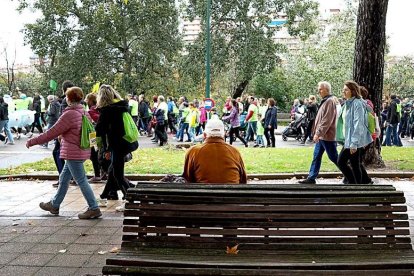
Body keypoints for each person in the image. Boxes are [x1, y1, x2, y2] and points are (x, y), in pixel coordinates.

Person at [26, 87, 102, 219]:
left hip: (73, 153)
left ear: (69, 99)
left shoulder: (69, 114)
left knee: (81, 180)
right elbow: (91, 133)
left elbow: (51, 133)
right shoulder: (84, 112)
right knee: (64, 178)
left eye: (67, 97)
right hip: (82, 151)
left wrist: (32, 141)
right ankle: (54, 205)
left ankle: (94, 208)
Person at [95, 84, 138, 211]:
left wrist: (107, 149)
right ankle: (103, 196)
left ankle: (129, 198)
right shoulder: (122, 107)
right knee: (113, 170)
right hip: (128, 142)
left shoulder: (107, 111)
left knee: (118, 174)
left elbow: (100, 131)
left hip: (117, 145)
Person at [183, 119, 247, 184]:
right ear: (224, 134)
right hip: (231, 193)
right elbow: (243, 180)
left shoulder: (193, 152)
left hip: (203, 193)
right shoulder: (235, 152)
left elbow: (188, 179)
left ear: (205, 135)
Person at [299, 81, 339, 184]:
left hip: (327, 136)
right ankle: (311, 177)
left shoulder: (329, 101)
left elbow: (326, 120)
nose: (318, 91)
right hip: (322, 136)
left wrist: (318, 133)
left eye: (320, 89)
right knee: (316, 156)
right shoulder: (325, 101)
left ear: (326, 89)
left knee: (334, 157)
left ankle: (349, 174)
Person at [336, 81, 373, 184]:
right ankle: (357, 186)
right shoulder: (348, 103)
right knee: (355, 164)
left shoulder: (357, 103)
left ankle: (354, 185)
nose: (343, 91)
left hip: (354, 141)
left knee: (341, 161)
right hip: (350, 139)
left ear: (352, 91)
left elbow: (358, 124)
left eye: (346, 90)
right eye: (343, 89)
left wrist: (354, 143)